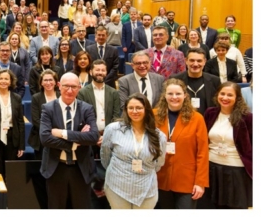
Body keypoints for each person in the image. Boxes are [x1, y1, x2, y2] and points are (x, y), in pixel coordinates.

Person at [40, 72, 100, 209]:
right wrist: (76, 141)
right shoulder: (48, 108)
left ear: (79, 88)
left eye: (74, 87)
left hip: (81, 168)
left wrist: (62, 133)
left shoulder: (87, 109)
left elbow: (93, 137)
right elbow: (45, 139)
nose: (69, 90)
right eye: (66, 86)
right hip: (56, 168)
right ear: (59, 86)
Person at [100, 94, 167, 209]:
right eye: (131, 108)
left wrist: (146, 169)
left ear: (146, 109)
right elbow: (105, 156)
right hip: (117, 185)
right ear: (126, 110)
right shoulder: (113, 129)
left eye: (139, 108)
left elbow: (159, 163)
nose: (134, 111)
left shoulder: (158, 135)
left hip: (146, 187)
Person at [154, 79, 209, 209]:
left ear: (185, 95)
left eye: (178, 94)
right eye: (170, 93)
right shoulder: (153, 115)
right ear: (164, 95)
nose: (174, 97)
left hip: (187, 180)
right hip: (160, 178)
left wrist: (200, 182)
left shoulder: (197, 118)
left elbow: (202, 152)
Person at [204, 82, 252, 209]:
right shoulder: (210, 113)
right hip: (211, 168)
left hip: (236, 171)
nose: (225, 98)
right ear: (217, 95)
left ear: (237, 98)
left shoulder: (247, 117)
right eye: (222, 94)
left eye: (230, 95)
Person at [172, 47, 221, 115]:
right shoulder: (175, 80)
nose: (195, 64)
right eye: (192, 60)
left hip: (207, 120)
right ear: (186, 61)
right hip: (181, 119)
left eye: (199, 61)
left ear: (204, 61)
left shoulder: (215, 81)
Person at [29, 70, 59, 160]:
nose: (48, 83)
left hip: (60, 137)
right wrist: (51, 131)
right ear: (41, 83)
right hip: (41, 138)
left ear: (55, 82)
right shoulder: (36, 98)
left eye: (51, 80)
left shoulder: (61, 96)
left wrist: (59, 132)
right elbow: (35, 120)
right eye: (45, 80)